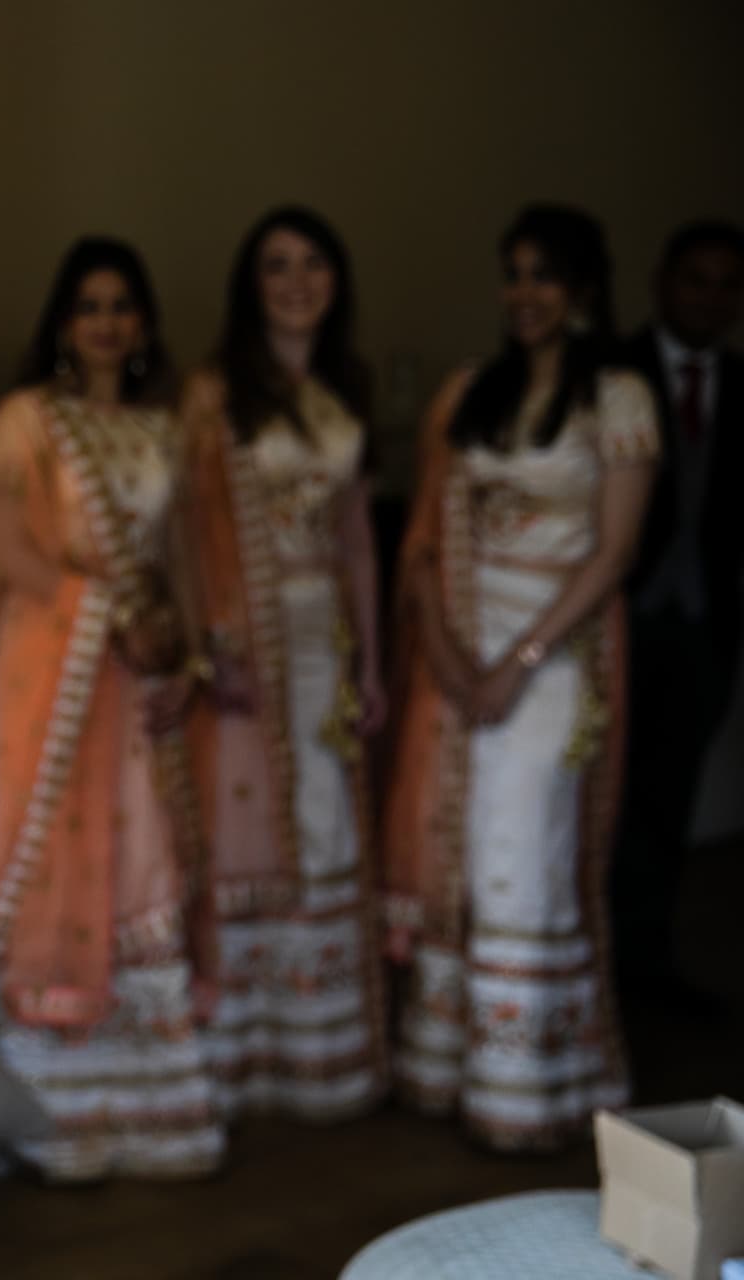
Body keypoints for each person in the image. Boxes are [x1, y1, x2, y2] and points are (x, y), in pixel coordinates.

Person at [0, 237, 223, 1181]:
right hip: (61, 685)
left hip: (141, 677)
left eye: (123, 305)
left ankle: (147, 1116)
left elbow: (180, 556)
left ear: (143, 323)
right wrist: (108, 616)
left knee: (142, 857)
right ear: (64, 322)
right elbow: (4, 548)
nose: (107, 321)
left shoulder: (163, 428)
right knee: (58, 856)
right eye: (89, 304)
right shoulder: (29, 420)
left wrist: (181, 652)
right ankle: (47, 1112)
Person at [384, 204, 656, 1149]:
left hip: (557, 656)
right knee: (459, 851)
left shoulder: (618, 399)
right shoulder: (471, 394)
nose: (525, 295)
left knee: (524, 854)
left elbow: (616, 553)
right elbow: (421, 544)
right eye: (513, 274)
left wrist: (520, 662)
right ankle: (453, 1067)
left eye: (545, 275)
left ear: (583, 287)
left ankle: (529, 1089)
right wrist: (459, 663)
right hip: (465, 652)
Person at [179, 207, 388, 1121]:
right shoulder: (216, 394)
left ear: (336, 280)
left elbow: (357, 542)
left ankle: (318, 1057)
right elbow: (184, 532)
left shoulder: (347, 389)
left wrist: (373, 665)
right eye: (275, 266)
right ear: (249, 285)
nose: (296, 282)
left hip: (323, 640)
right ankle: (235, 1059)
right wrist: (206, 646)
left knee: (325, 821)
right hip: (242, 638)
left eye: (313, 264)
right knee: (242, 828)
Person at [613, 220, 744, 998]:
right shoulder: (612, 373)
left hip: (704, 624)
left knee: (670, 798)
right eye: (697, 279)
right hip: (618, 618)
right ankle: (591, 964)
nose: (711, 296)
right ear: (663, 282)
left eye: (729, 283)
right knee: (603, 799)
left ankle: (649, 962)